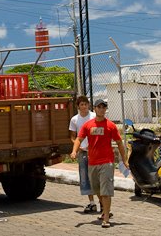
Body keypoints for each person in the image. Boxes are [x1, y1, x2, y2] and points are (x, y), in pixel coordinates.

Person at [70, 99, 129, 229]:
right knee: (97, 189)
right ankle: (104, 209)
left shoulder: (111, 126)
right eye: (99, 107)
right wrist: (74, 151)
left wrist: (124, 160)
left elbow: (119, 143)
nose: (101, 109)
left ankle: (106, 218)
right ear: (95, 109)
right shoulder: (88, 125)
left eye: (104, 107)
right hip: (92, 162)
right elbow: (79, 139)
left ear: (105, 109)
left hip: (107, 162)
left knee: (106, 191)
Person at [69, 95, 97, 213]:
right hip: (83, 152)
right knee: (85, 177)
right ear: (78, 106)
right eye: (81, 104)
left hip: (95, 151)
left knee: (97, 176)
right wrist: (77, 148)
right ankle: (92, 203)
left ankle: (102, 202)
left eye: (86, 104)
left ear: (88, 105)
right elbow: (73, 137)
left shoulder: (95, 117)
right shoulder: (74, 120)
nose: (84, 106)